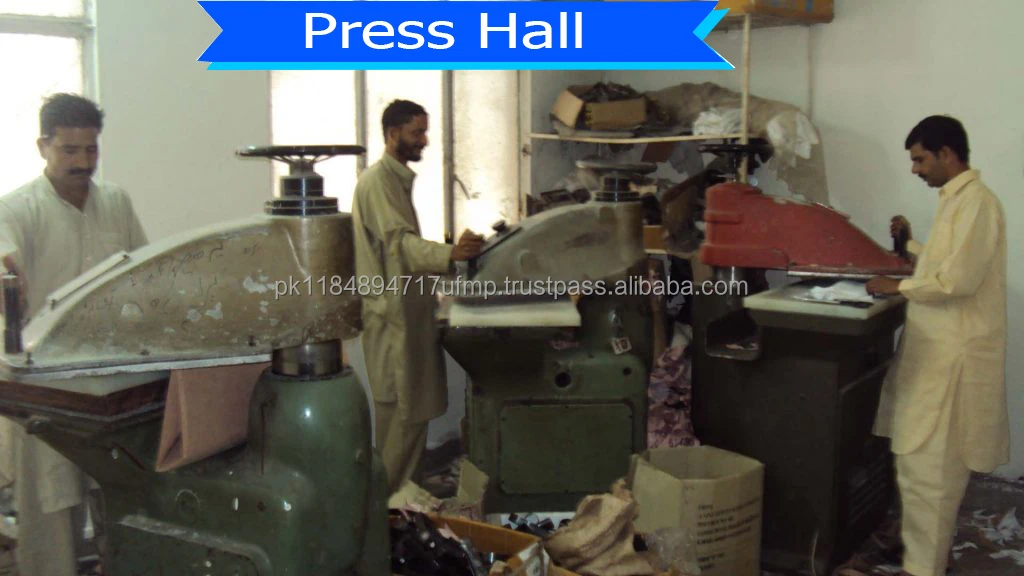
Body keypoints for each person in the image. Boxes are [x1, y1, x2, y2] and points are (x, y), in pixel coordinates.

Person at [0, 93, 148, 575]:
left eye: (91, 149)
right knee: (50, 513)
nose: (83, 161)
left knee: (122, 500)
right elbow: (3, 265)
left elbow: (142, 276)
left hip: (110, 385)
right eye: (69, 150)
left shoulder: (116, 202)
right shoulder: (16, 210)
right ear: (42, 146)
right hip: (44, 390)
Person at [863, 115, 1008, 576]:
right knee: (919, 470)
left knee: (931, 474)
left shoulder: (977, 203)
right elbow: (945, 264)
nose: (915, 169)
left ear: (947, 154)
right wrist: (910, 247)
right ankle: (924, 559)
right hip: (938, 356)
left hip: (952, 362)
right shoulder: (957, 201)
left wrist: (897, 286)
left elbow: (957, 281)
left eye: (920, 159)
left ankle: (923, 569)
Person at [351, 99, 483, 494]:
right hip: (393, 322)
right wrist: (450, 254)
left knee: (411, 419)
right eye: (417, 133)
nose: (424, 140)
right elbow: (401, 245)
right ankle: (389, 507)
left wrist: (451, 259)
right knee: (402, 419)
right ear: (392, 134)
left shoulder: (395, 181)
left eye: (425, 131)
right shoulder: (378, 183)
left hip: (405, 315)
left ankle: (405, 496)